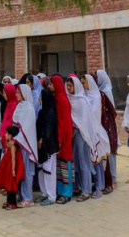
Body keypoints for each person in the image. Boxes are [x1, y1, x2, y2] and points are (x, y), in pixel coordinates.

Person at [68, 76, 110, 201]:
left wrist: (86, 132)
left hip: (88, 133)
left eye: (71, 86)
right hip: (77, 133)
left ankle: (94, 188)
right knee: (80, 161)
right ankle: (83, 187)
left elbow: (89, 118)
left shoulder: (84, 100)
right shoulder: (75, 98)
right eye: (68, 86)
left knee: (90, 162)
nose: (69, 88)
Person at [49, 75, 75, 204]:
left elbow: (64, 122)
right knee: (60, 165)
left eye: (51, 84)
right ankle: (60, 191)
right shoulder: (57, 98)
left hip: (64, 137)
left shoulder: (62, 100)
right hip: (60, 137)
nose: (50, 86)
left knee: (65, 163)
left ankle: (67, 192)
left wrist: (60, 139)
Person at [11, 83, 38, 207]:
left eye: (18, 92)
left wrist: (16, 140)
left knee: (27, 171)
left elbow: (26, 128)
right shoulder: (20, 106)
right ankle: (22, 194)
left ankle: (28, 197)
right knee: (20, 170)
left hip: (26, 144)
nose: (16, 94)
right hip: (18, 143)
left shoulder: (29, 108)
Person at [34, 88, 59, 205]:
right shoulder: (42, 111)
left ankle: (51, 196)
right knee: (41, 170)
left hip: (49, 146)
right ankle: (44, 193)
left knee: (49, 171)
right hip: (41, 148)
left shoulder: (51, 112)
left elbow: (49, 130)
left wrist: (42, 140)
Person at [95, 69, 119, 192]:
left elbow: (110, 111)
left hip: (108, 125)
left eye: (97, 77)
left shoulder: (106, 92)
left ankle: (113, 178)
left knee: (110, 153)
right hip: (104, 125)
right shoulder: (100, 92)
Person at [0, 125, 25, 210]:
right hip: (7, 167)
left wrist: (13, 170)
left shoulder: (13, 146)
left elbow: (14, 158)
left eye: (7, 133)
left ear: (11, 135)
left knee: (11, 185)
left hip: (11, 168)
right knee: (8, 185)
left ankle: (13, 203)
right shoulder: (10, 143)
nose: (5, 135)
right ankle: (9, 201)